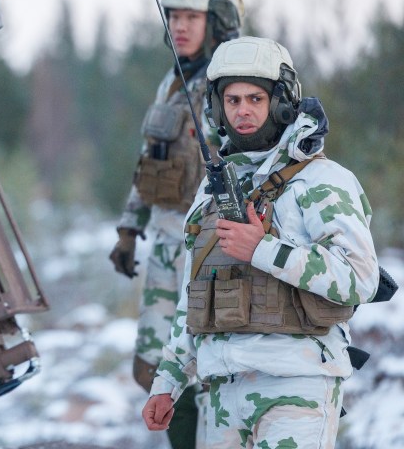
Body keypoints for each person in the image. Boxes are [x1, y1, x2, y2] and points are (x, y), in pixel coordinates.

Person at [142, 36, 380, 449]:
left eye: (255, 97)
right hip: (222, 391)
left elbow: (359, 279)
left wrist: (263, 249)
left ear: (282, 102)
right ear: (218, 108)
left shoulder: (321, 181)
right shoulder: (211, 191)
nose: (243, 110)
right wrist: (167, 381)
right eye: (232, 100)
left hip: (297, 385)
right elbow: (193, 295)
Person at [111, 0, 244, 447]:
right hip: (167, 248)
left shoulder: (235, 86)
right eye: (173, 16)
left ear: (219, 21)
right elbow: (150, 160)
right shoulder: (172, 81)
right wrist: (129, 229)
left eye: (192, 16)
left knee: (209, 372)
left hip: (215, 255)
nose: (179, 26)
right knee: (158, 371)